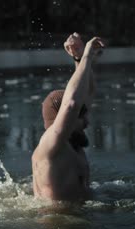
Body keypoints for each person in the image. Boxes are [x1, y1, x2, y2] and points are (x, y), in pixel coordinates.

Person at [31, 33, 104, 202]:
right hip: (56, 224)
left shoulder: (72, 144)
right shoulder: (51, 145)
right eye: (82, 117)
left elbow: (87, 93)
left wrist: (78, 58)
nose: (87, 122)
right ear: (62, 117)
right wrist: (86, 55)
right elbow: (71, 103)